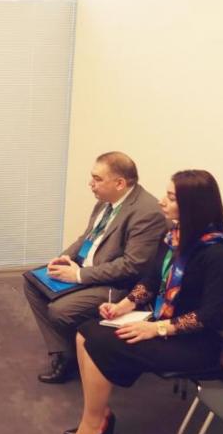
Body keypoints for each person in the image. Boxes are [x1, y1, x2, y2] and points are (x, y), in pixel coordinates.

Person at [59, 170, 223, 434]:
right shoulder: (174, 236)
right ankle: (98, 416)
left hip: (195, 342)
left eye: (171, 198)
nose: (162, 201)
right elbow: (150, 281)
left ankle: (94, 426)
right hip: (162, 322)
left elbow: (209, 316)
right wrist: (122, 306)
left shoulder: (218, 252)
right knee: (85, 332)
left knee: (98, 341)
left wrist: (156, 328)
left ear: (193, 205)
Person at [24, 152, 167, 383]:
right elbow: (86, 238)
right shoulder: (106, 201)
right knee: (33, 282)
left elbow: (132, 266)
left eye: (97, 179)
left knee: (60, 311)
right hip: (86, 268)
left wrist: (79, 275)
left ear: (119, 183)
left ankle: (76, 357)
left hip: (117, 285)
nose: (91, 184)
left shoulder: (147, 212)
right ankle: (65, 352)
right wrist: (63, 258)